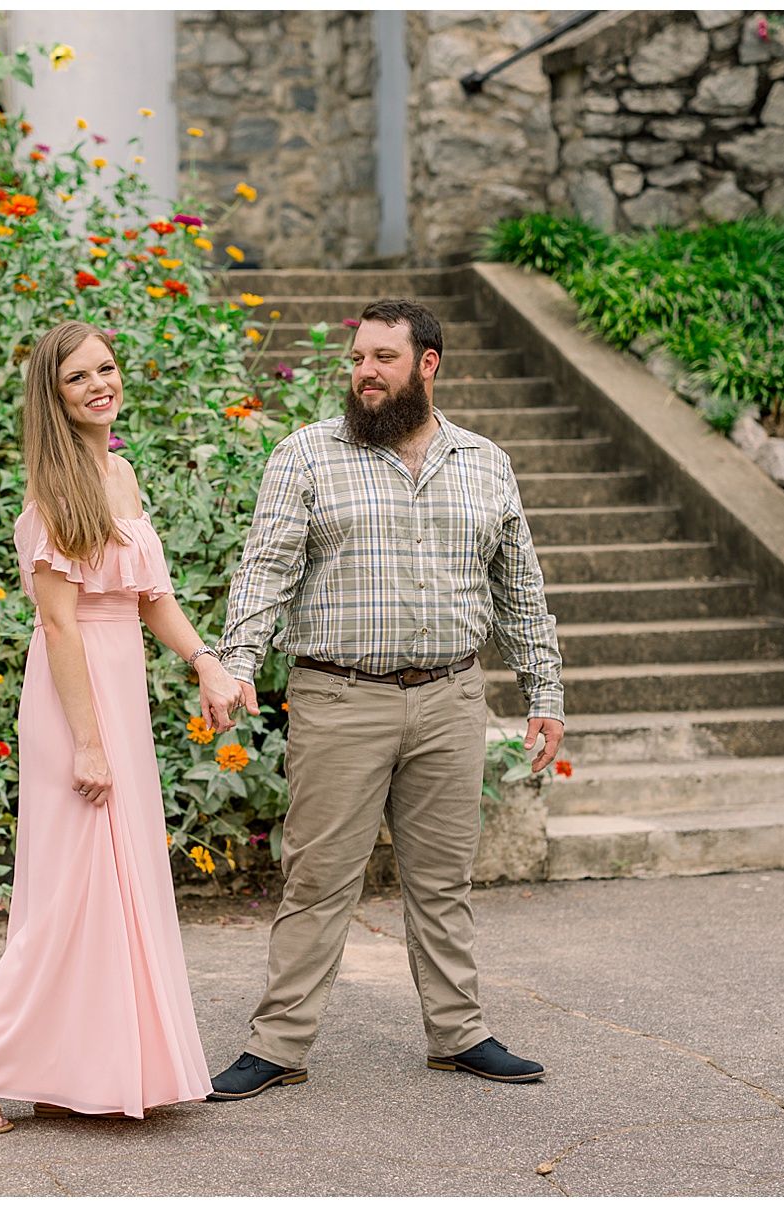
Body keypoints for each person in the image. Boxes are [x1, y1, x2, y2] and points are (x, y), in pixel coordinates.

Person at [207, 297, 566, 1100]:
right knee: (318, 877)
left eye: (383, 359)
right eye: (358, 358)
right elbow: (264, 570)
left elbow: (522, 590)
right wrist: (236, 664)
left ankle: (459, 1032)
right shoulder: (306, 456)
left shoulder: (486, 462)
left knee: (443, 880)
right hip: (340, 697)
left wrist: (545, 690)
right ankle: (279, 1043)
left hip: (450, 696)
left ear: (427, 365)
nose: (364, 373)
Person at [0, 320, 240, 1133]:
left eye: (106, 367)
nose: (100, 384)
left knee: (115, 885)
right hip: (75, 699)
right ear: (52, 398)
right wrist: (88, 742)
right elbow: (60, 626)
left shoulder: (120, 473)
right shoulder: (54, 491)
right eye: (77, 378)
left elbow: (147, 595)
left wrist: (204, 659)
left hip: (121, 682)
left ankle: (75, 1070)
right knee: (68, 893)